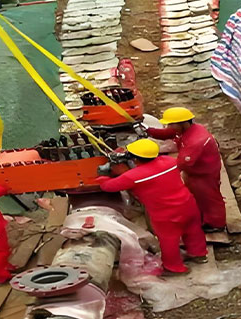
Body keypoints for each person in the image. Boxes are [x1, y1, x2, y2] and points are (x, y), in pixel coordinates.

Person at [96, 139, 207, 275]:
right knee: (193, 230)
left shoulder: (133, 176)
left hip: (166, 214)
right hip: (188, 204)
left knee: (169, 240)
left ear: (135, 159)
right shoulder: (169, 161)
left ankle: (174, 268)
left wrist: (102, 177)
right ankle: (199, 254)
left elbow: (108, 186)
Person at [146, 107, 227, 231]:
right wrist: (148, 131)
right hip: (195, 170)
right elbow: (168, 134)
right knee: (197, 196)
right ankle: (202, 216)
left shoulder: (196, 140)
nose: (169, 127)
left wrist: (158, 173)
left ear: (182, 124)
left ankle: (217, 224)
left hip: (204, 173)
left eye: (171, 124)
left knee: (209, 198)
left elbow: (182, 163)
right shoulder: (187, 129)